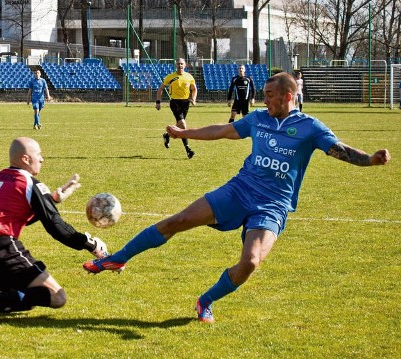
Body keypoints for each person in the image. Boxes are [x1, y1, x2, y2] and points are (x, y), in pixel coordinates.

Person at [84, 72, 391, 323]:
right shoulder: (258, 119)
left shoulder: (310, 127)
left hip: (273, 206)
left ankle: (206, 300)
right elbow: (223, 130)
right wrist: (184, 133)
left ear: (287, 96)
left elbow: (342, 150)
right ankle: (116, 259)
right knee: (178, 220)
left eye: (270, 94)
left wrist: (371, 160)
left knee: (251, 262)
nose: (263, 99)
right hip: (239, 190)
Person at [0, 137, 108, 323]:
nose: (42, 159)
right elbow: (56, 227)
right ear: (25, 159)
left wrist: (53, 199)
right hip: (2, 250)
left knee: (28, 296)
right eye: (39, 155)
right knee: (56, 297)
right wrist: (90, 243)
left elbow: (17, 216)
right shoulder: (30, 183)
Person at [156, 58, 197, 159]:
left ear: (185, 65)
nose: (180, 66)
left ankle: (167, 135)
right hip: (175, 102)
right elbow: (161, 89)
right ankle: (188, 149)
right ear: (176, 65)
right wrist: (158, 102)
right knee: (183, 124)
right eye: (178, 64)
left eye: (182, 64)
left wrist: (193, 99)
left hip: (186, 103)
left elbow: (194, 89)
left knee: (179, 127)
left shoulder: (189, 76)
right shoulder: (170, 77)